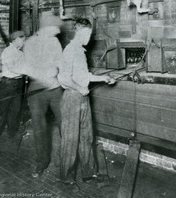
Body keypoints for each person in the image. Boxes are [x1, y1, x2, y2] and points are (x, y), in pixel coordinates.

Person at [58, 18, 115, 185]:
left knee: (87, 136)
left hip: (83, 98)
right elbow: (64, 78)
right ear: (80, 32)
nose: (90, 37)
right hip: (72, 98)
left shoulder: (80, 51)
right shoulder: (70, 50)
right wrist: (78, 88)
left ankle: (88, 173)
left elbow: (84, 76)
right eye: (88, 33)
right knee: (70, 139)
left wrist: (103, 78)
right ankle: (66, 178)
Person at [23, 11, 63, 178]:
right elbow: (29, 68)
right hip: (37, 91)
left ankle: (69, 161)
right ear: (46, 27)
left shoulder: (54, 41)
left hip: (55, 89)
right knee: (39, 128)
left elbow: (59, 64)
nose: (59, 32)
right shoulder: (30, 43)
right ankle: (41, 162)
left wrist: (53, 71)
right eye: (56, 28)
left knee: (65, 123)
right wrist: (48, 72)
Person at [0, 31, 27, 145]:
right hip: (8, 84)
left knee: (16, 109)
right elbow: (13, 68)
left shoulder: (20, 53)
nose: (24, 42)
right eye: (23, 39)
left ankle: (12, 133)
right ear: (16, 39)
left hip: (19, 82)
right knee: (1, 112)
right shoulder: (8, 51)